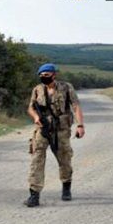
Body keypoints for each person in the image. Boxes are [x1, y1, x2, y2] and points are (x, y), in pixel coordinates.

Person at [25, 63, 85, 207]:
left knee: (64, 158)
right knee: (36, 159)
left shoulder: (66, 87)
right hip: (43, 129)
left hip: (61, 129)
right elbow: (31, 108)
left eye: (46, 75)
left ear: (53, 75)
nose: (43, 78)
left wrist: (80, 125)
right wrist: (36, 117)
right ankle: (34, 194)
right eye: (41, 75)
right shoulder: (37, 89)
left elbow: (75, 106)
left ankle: (66, 187)